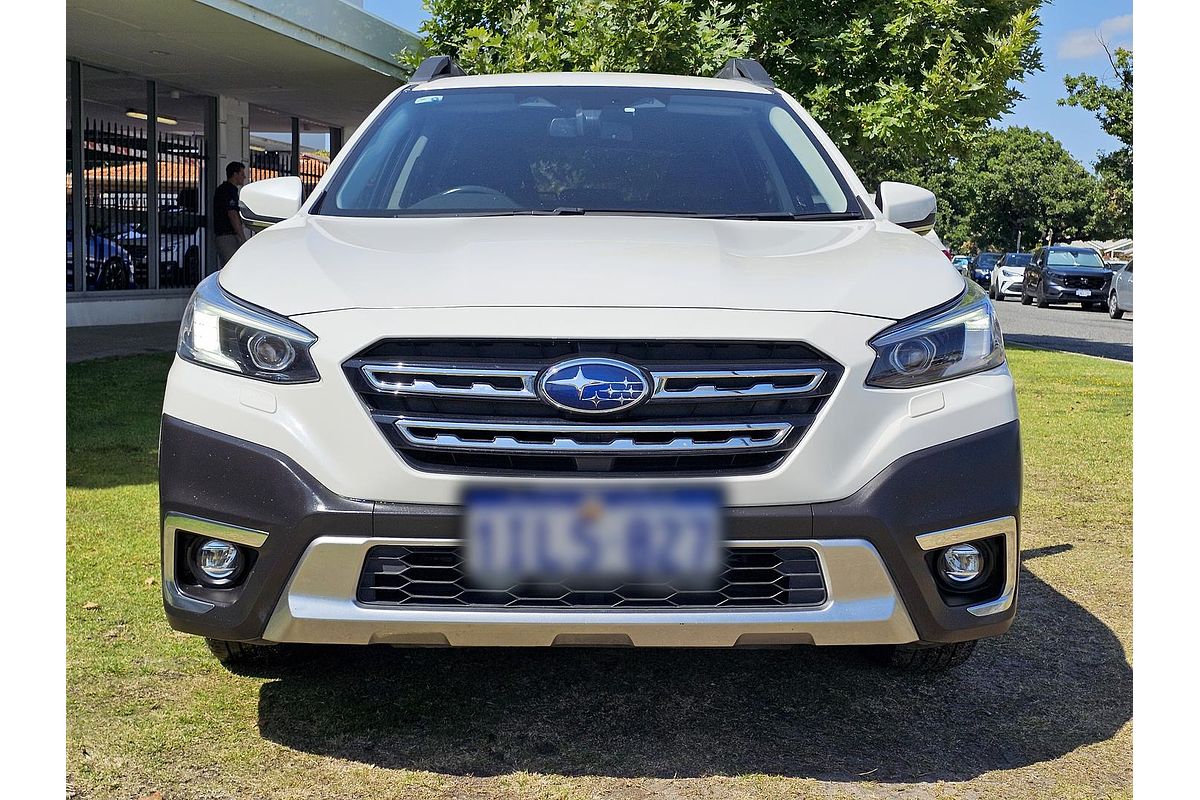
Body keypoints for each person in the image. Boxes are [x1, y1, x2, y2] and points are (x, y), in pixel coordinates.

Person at [213, 162, 247, 267]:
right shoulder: (228, 191)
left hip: (225, 235)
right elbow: (232, 214)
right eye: (242, 174)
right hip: (227, 236)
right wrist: (241, 236)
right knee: (233, 267)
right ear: (235, 174)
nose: (244, 177)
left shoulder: (224, 189)